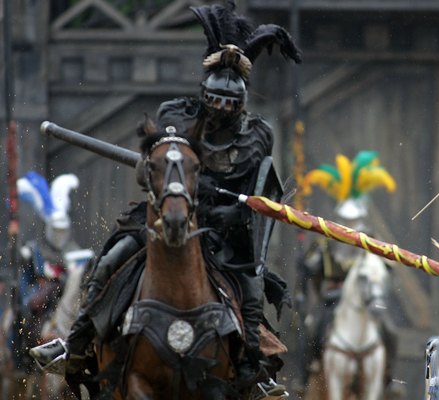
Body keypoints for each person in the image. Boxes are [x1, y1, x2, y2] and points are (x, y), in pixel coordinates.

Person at [30, 1, 302, 397]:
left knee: (253, 289)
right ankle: (76, 342)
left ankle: (252, 369)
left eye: (230, 103)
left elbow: (258, 190)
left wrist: (230, 210)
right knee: (110, 259)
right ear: (203, 94)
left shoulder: (258, 133)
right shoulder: (175, 114)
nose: (221, 109)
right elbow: (155, 165)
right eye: (216, 100)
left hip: (225, 231)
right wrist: (183, 184)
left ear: (241, 102)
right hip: (166, 214)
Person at [296, 150, 402, 395]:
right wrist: (306, 267)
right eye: (346, 220)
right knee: (312, 329)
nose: (350, 226)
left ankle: (390, 378)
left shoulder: (372, 243)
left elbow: (387, 269)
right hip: (333, 300)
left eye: (354, 222)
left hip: (364, 301)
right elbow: (310, 270)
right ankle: (303, 376)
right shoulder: (325, 243)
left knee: (390, 330)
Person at [10, 172, 84, 374]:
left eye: (62, 230)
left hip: (63, 293)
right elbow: (29, 277)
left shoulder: (72, 249)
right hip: (41, 294)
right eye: (56, 229)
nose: (59, 234)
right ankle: (23, 360)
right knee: (25, 312)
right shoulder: (36, 250)